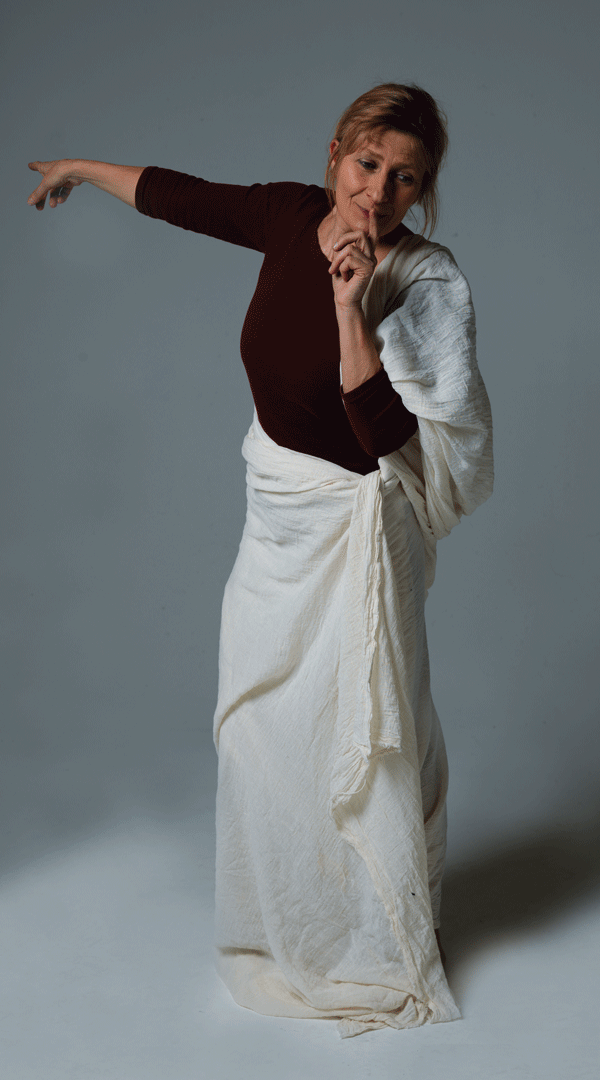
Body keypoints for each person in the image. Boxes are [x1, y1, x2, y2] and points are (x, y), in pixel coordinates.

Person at [27, 82, 493, 1038]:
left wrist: (352, 308)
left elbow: (390, 438)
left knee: (368, 733)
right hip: (278, 519)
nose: (378, 193)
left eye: (406, 179)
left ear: (423, 192)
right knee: (260, 730)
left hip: (358, 529)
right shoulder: (287, 214)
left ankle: (377, 934)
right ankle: (295, 926)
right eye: (368, 164)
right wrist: (80, 167)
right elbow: (181, 196)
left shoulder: (426, 283)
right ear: (335, 156)